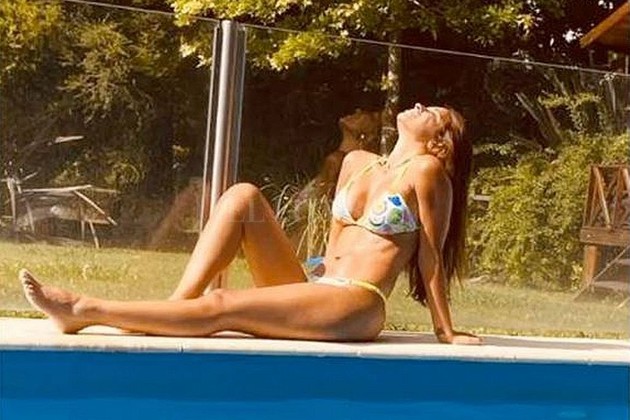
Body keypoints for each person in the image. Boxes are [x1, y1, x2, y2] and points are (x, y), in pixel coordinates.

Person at [19, 103, 482, 345]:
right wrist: (313, 273)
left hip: (355, 302)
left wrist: (445, 331)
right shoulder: (356, 161)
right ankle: (173, 309)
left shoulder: (427, 172)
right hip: (318, 285)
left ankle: (83, 309)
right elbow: (336, 236)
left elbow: (430, 256)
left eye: (433, 113)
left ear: (440, 142)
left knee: (224, 304)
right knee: (242, 196)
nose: (419, 106)